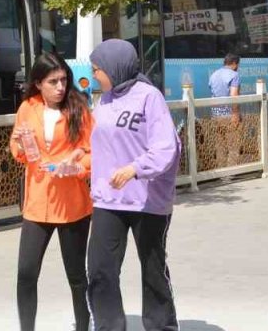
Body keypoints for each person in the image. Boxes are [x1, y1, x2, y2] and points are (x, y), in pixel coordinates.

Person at [86, 39, 182, 331]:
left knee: (153, 271)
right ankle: (108, 326)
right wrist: (80, 159)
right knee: (100, 270)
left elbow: (167, 147)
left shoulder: (149, 97)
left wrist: (135, 169)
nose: (94, 76)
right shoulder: (105, 100)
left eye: (97, 70)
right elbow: (102, 145)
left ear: (115, 68)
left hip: (147, 200)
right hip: (108, 200)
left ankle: (162, 326)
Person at [10, 53, 94, 331]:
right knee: (26, 273)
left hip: (72, 204)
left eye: (63, 80)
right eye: (53, 81)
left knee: (76, 276)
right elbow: (16, 146)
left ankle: (83, 326)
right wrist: (20, 147)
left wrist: (76, 166)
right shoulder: (27, 108)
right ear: (38, 83)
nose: (60, 87)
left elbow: (93, 153)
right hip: (37, 203)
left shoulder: (78, 108)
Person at [209, 54, 242, 174]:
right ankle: (230, 173)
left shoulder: (214, 75)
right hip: (228, 114)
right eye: (237, 65)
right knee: (233, 145)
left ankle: (220, 171)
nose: (238, 67)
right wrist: (235, 114)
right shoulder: (234, 75)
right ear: (234, 63)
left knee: (220, 145)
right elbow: (234, 96)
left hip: (215, 114)